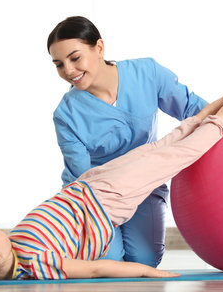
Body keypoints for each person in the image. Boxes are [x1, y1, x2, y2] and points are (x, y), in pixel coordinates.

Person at [0, 83, 223, 281]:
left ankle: (209, 111)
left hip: (90, 186)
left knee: (160, 150)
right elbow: (93, 269)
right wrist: (142, 273)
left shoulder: (16, 246)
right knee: (171, 158)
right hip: (107, 201)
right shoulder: (35, 264)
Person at [47, 16, 207, 267]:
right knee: (110, 265)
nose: (67, 71)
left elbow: (193, 108)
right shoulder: (66, 115)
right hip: (95, 199)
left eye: (75, 58)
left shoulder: (147, 73)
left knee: (144, 262)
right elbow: (86, 178)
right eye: (58, 64)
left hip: (144, 186)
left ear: (99, 48)